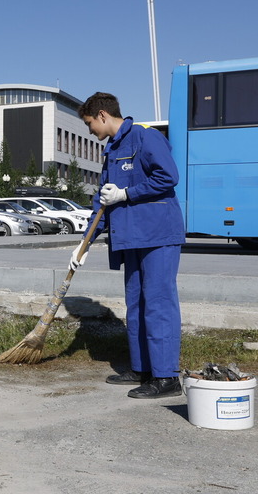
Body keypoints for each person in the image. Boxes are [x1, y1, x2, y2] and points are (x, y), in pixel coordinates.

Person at [71, 92, 186, 399]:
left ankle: (167, 377)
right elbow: (102, 200)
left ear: (103, 116)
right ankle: (142, 368)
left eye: (89, 124)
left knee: (158, 303)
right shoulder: (111, 151)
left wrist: (126, 193)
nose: (90, 131)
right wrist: (84, 243)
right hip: (131, 238)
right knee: (136, 305)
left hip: (158, 234)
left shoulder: (146, 138)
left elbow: (168, 177)